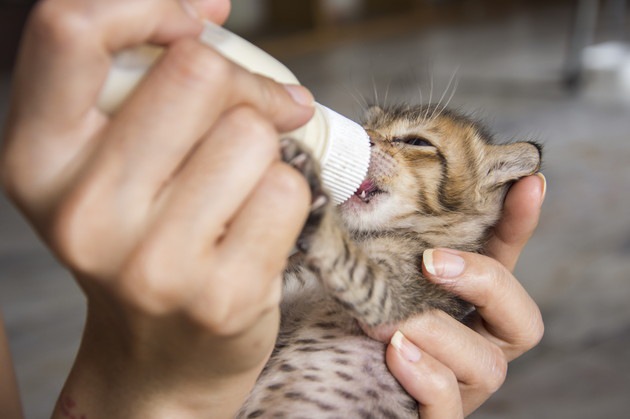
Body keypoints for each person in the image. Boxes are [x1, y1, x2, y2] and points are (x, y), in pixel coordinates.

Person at [0, 0, 546, 418]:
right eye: (375, 134)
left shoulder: (422, 265)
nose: (374, 148)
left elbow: (373, 299)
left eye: (416, 145)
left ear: (483, 190)